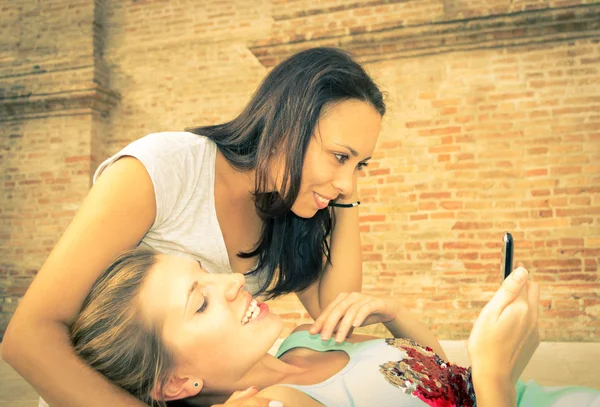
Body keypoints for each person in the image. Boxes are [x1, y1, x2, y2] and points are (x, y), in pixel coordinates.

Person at [2, 47, 386, 406]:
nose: (348, 181)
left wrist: (344, 198)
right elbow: (29, 337)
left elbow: (337, 314)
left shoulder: (288, 205)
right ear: (286, 126)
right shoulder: (161, 170)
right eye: (339, 156)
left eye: (360, 165)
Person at [70, 248, 600, 407]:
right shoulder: (275, 405)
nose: (233, 282)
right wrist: (496, 377)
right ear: (175, 383)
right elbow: (476, 383)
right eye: (200, 302)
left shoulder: (304, 338)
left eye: (208, 274)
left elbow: (438, 378)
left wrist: (391, 312)